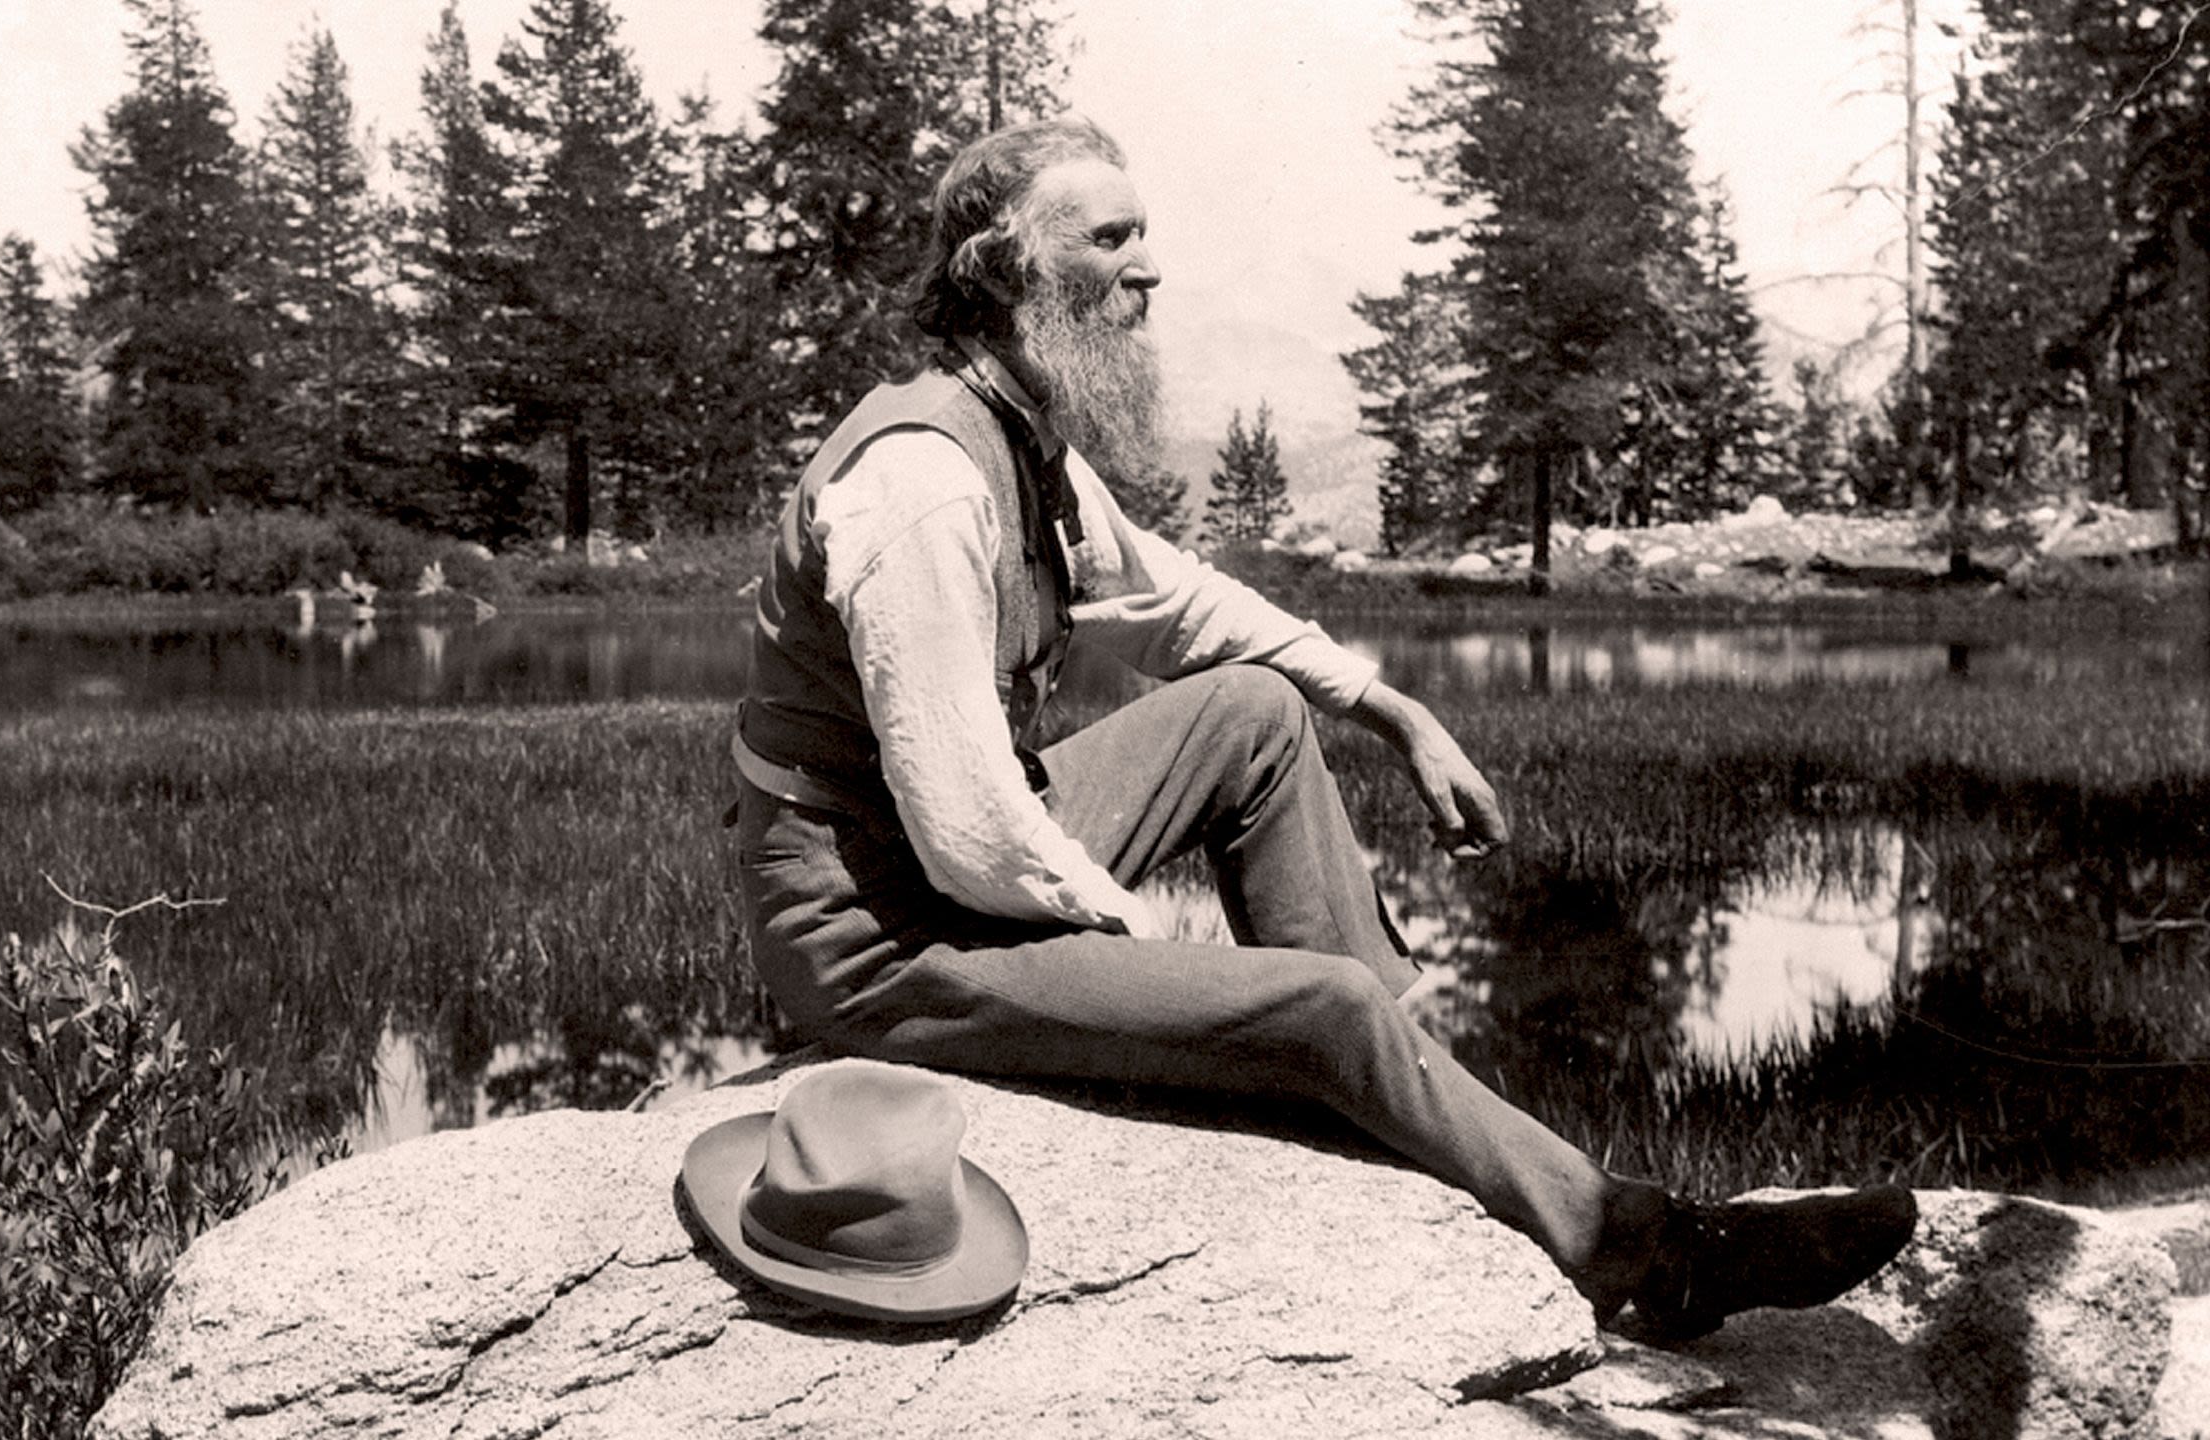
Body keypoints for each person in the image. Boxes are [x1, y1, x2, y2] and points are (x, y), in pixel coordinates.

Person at [727, 115, 1914, 1344]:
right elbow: (970, 829)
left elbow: (1175, 605)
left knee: (1255, 712)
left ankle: (1400, 1088)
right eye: (1112, 238)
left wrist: (1390, 708)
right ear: (1005, 267)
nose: (1149, 270)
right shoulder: (921, 479)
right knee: (1315, 1006)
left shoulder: (1021, 435)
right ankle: (1644, 1253)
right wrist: (1160, 960)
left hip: (946, 865)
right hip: (876, 935)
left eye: (1148, 237)